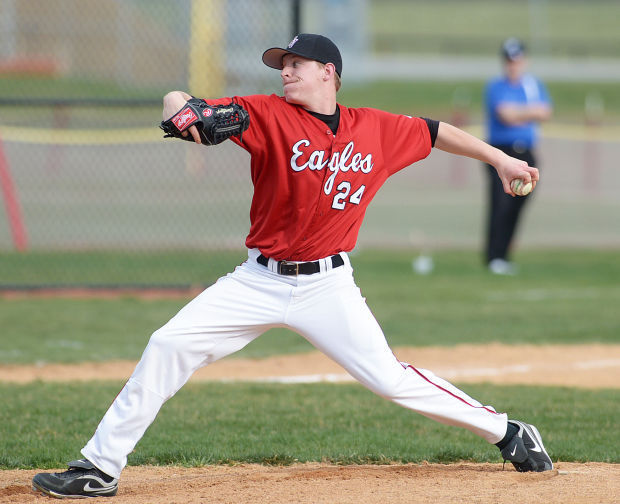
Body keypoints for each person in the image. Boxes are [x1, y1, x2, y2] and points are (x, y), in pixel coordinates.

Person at [32, 33, 552, 499]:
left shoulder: (374, 128)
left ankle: (508, 431)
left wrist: (501, 161)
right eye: (282, 64)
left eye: (296, 63)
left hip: (329, 287)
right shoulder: (264, 113)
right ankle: (99, 468)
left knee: (389, 379)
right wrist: (182, 110)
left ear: (329, 73)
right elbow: (179, 101)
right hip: (257, 280)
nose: (285, 71)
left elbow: (435, 131)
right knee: (168, 344)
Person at [484, 37, 552, 275]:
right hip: (501, 152)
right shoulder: (496, 86)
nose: (513, 64)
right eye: (509, 60)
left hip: (527, 151)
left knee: (517, 206)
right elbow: (506, 116)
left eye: (517, 59)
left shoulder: (533, 85)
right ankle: (493, 256)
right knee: (500, 204)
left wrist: (520, 112)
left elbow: (545, 111)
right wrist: (529, 112)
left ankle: (504, 255)